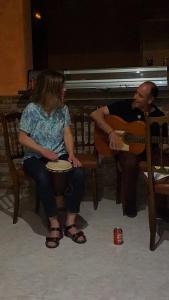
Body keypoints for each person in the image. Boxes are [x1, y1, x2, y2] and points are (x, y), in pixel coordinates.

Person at [19, 70, 87, 248]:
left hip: (59, 154)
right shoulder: (31, 109)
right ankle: (54, 223)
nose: (65, 90)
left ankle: (70, 223)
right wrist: (43, 151)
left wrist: (71, 154)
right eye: (61, 87)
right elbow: (23, 137)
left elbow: (67, 133)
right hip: (34, 156)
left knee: (79, 173)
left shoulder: (62, 108)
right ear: (49, 89)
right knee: (42, 176)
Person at [90, 81, 166, 217]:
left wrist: (163, 146)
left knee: (164, 161)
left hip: (149, 151)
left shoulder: (158, 117)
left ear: (150, 100)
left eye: (140, 95)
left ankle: (161, 207)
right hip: (126, 151)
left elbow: (162, 143)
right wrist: (111, 132)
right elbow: (95, 114)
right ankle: (129, 205)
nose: (135, 96)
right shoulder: (125, 105)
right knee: (130, 162)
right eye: (136, 92)